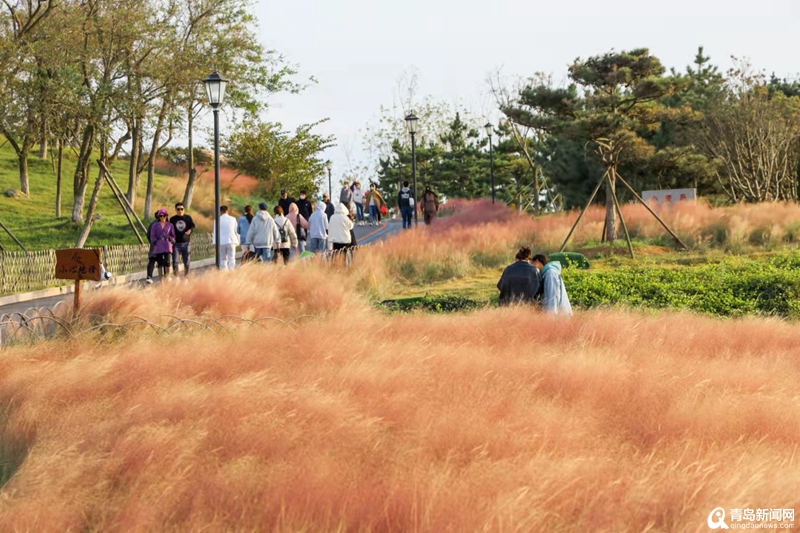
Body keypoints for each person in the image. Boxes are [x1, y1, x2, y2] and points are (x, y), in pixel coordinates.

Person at [146, 209, 176, 283]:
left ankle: (152, 276)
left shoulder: (168, 224)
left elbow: (148, 235)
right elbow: (151, 235)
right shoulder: (154, 225)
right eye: (161, 215)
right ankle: (161, 277)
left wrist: (171, 240)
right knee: (159, 261)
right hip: (157, 245)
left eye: (164, 215)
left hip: (164, 244)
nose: (162, 217)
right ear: (158, 216)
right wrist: (155, 241)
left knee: (157, 260)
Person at [170, 202, 195, 276]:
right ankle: (176, 276)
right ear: (175, 210)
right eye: (178, 209)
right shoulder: (172, 219)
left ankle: (187, 276)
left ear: (184, 209)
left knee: (187, 261)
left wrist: (190, 230)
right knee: (175, 261)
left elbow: (192, 226)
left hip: (186, 243)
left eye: (181, 209)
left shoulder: (188, 218)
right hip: (176, 243)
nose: (180, 211)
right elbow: (170, 229)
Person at [212, 205, 239, 270]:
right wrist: (239, 240)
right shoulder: (233, 219)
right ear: (227, 211)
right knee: (232, 258)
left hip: (221, 242)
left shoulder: (217, 220)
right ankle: (231, 271)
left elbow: (215, 231)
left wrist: (215, 242)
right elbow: (236, 231)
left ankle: (224, 272)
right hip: (231, 240)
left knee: (223, 258)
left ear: (220, 212)